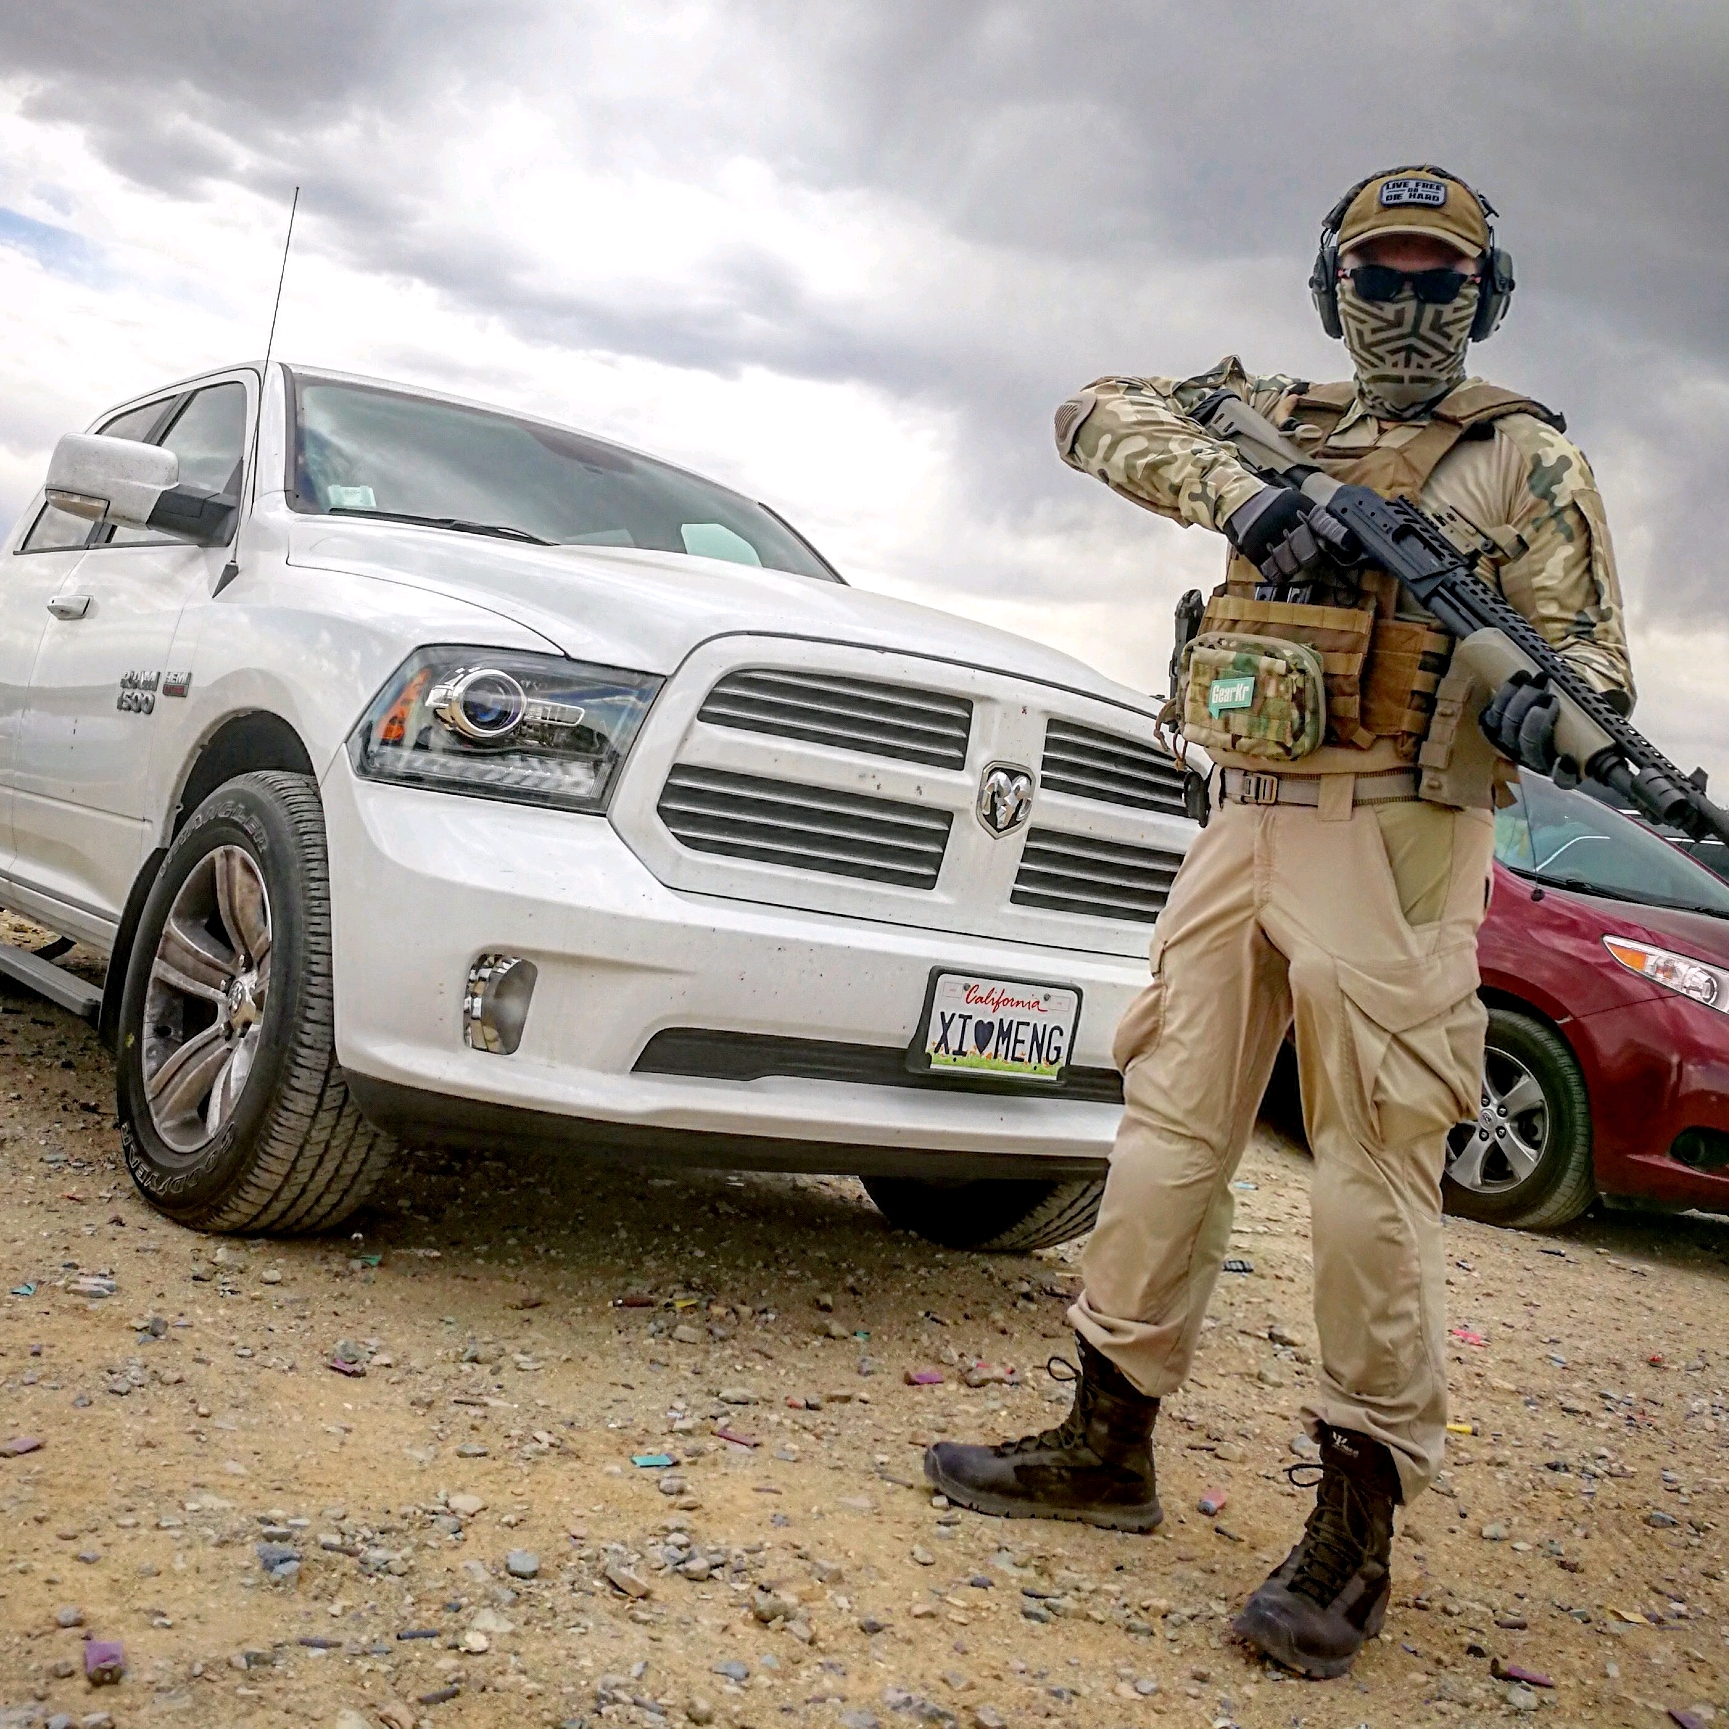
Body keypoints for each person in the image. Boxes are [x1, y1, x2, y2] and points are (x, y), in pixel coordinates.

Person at [925, 165, 1633, 1679]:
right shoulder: (1272, 417)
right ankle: (1107, 1439)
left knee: (1370, 1174)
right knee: (1168, 1129)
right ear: (1332, 287)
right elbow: (1091, 411)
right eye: (1378, 276)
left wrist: (1539, 700)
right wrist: (1247, 497)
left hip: (1394, 835)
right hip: (1240, 813)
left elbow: (1592, 675)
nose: (1405, 307)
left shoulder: (1525, 464)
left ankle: (1354, 1524)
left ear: (1485, 297)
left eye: (1438, 282)